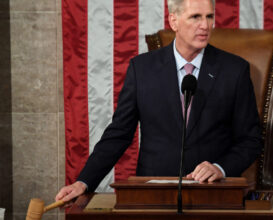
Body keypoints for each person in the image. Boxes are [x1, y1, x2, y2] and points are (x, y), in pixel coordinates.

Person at [56, 0, 262, 203]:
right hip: (153, 195)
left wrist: (220, 167)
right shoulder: (142, 69)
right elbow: (119, 133)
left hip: (212, 194)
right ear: (174, 21)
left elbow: (251, 140)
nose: (205, 25)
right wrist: (83, 182)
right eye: (195, 17)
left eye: (209, 16)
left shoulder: (234, 70)